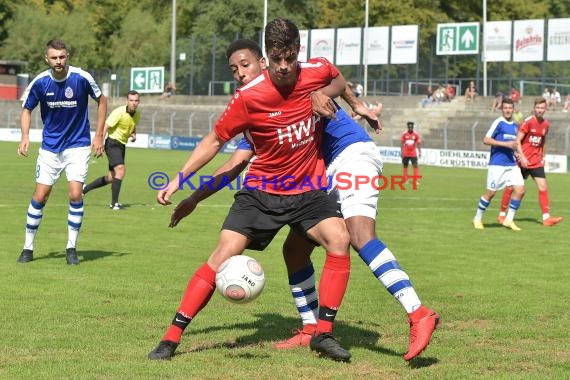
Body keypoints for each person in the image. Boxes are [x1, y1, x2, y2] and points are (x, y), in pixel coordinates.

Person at [168, 38, 440, 361]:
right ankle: (312, 329)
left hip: (350, 153)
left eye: (246, 66)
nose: (240, 74)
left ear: (265, 63)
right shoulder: (260, 102)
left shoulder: (300, 80)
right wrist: (194, 196)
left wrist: (351, 103)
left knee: (359, 235)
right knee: (294, 251)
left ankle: (418, 312)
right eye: (234, 70)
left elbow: (333, 77)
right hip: (320, 173)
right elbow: (235, 162)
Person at [148, 18, 353, 362]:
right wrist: (181, 180)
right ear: (268, 58)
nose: (284, 67)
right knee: (222, 255)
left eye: (289, 58)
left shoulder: (314, 71)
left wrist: (331, 95)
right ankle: (170, 338)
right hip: (262, 192)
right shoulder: (248, 99)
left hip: (309, 191)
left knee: (340, 240)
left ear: (298, 52)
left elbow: (338, 79)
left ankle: (323, 334)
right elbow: (215, 143)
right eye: (277, 59)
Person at [16, 39, 107, 265]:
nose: (58, 61)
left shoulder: (81, 78)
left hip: (77, 145)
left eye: (62, 56)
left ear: (68, 56)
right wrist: (25, 136)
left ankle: (71, 248)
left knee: (76, 194)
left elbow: (102, 100)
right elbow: (26, 109)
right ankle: (28, 247)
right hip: (50, 148)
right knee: (40, 196)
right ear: (47, 58)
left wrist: (98, 135)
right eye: (54, 57)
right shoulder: (40, 82)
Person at [498, 98, 563, 227]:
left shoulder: (546, 124)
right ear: (534, 108)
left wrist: (543, 157)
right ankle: (502, 215)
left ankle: (546, 218)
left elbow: (543, 141)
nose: (539, 110)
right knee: (511, 187)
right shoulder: (527, 122)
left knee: (543, 187)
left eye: (542, 108)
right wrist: (522, 157)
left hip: (536, 161)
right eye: (537, 108)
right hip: (523, 161)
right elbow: (517, 141)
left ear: (545, 109)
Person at [472, 98, 525, 231]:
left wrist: (517, 154)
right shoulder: (498, 122)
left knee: (520, 190)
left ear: (513, 109)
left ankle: (509, 220)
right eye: (505, 108)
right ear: (502, 109)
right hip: (497, 164)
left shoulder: (514, 126)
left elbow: (514, 143)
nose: (508, 110)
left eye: (510, 108)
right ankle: (477, 218)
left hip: (511, 164)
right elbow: (486, 140)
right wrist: (505, 144)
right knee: (491, 193)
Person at [83, 90, 140, 209]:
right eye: (131, 100)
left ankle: (85, 189)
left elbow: (133, 126)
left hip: (121, 145)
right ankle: (114, 204)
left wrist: (133, 134)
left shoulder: (137, 114)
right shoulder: (119, 112)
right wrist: (100, 143)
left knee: (111, 177)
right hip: (112, 143)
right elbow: (106, 126)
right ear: (127, 101)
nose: (134, 103)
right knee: (120, 170)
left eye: (136, 100)